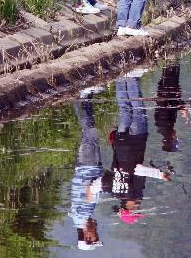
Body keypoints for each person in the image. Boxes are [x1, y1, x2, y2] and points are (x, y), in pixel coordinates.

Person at [102, 71, 172, 227]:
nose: (138, 205)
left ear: (128, 207)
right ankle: (120, 78)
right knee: (125, 110)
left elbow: (139, 169)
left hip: (135, 142)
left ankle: (132, 77)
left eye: (135, 208)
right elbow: (101, 179)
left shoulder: (135, 193)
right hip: (120, 143)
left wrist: (160, 175)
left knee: (138, 110)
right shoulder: (114, 191)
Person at [69, 88, 105, 251]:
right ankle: (87, 96)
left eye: (95, 235)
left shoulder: (82, 216)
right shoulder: (82, 217)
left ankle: (77, 99)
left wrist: (109, 183)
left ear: (87, 236)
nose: (96, 231)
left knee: (90, 132)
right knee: (90, 131)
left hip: (87, 167)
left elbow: (90, 189)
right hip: (88, 167)